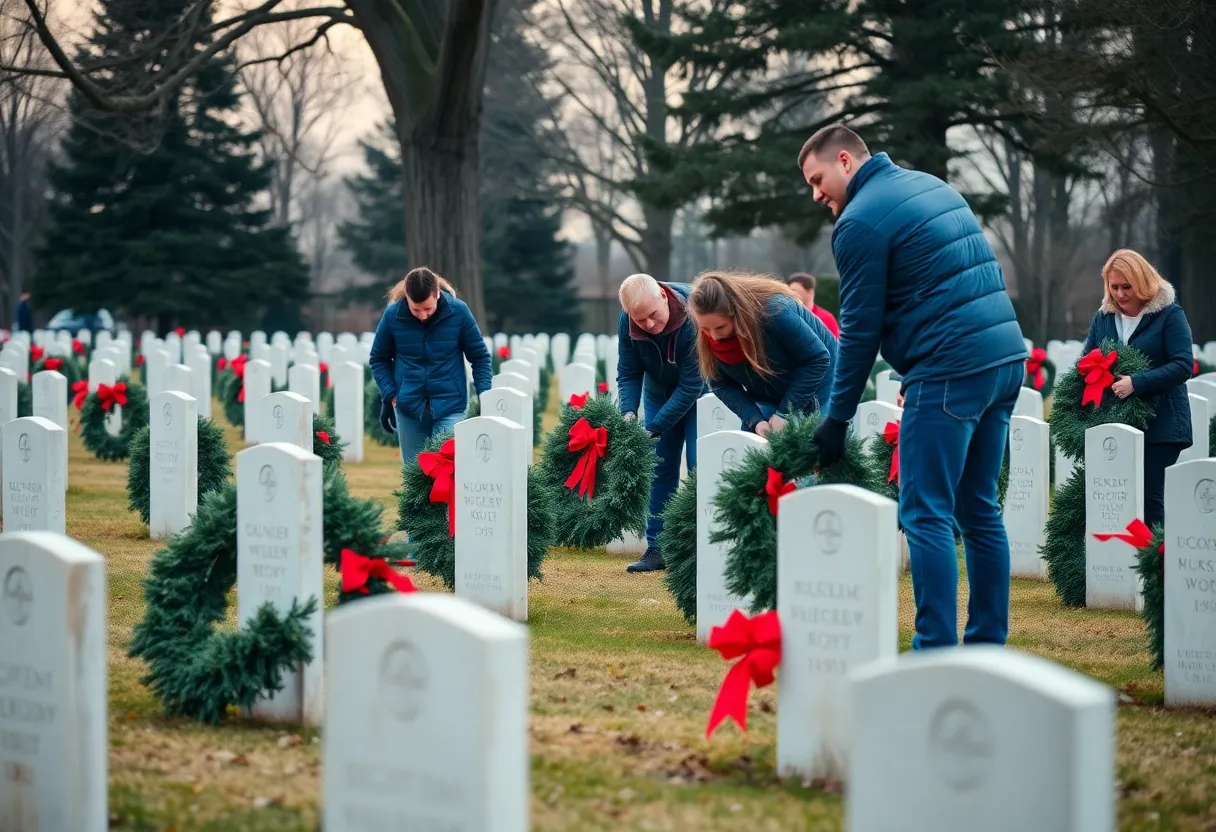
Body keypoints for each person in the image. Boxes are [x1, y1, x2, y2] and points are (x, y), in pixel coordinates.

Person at [800, 124, 1027, 651]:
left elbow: (859, 329)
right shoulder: (931, 185)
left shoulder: (858, 222)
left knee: (925, 512)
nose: (816, 195)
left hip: (950, 369)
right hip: (1003, 358)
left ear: (845, 160)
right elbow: (943, 285)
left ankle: (935, 650)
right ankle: (988, 644)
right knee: (979, 507)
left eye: (817, 179)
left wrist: (836, 419)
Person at [1083, 249, 1192, 527]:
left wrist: (1137, 382)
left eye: (1126, 287)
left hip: (1162, 424)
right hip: (1116, 422)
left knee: (1148, 498)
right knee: (1119, 497)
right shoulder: (1103, 318)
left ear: (1142, 282)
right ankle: (1124, 564)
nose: (1119, 294)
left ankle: (1158, 566)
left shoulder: (1169, 314)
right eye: (1114, 287)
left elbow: (1183, 365)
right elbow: (1087, 361)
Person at [615, 273, 706, 573]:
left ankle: (699, 546)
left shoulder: (694, 315)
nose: (650, 325)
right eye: (641, 321)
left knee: (699, 466)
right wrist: (629, 413)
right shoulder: (626, 322)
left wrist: (654, 427)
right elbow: (628, 372)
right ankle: (657, 547)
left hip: (702, 396)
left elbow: (692, 384)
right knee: (659, 467)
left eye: (653, 315)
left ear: (664, 297)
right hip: (658, 392)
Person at [689, 270, 836, 436]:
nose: (714, 336)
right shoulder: (705, 334)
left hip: (819, 382)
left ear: (737, 314)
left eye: (720, 327)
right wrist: (755, 420)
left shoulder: (776, 313)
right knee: (755, 446)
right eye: (705, 329)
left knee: (810, 449)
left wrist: (786, 413)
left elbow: (818, 359)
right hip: (769, 392)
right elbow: (720, 383)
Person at [369, 266, 492, 464]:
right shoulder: (393, 315)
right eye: (415, 309)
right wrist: (390, 393)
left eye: (428, 308)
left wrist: (485, 396)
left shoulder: (458, 312)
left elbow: (480, 357)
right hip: (409, 408)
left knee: (447, 471)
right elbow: (378, 358)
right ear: (406, 297)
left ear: (437, 294)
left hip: (451, 405)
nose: (423, 315)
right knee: (415, 476)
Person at [788, 272, 840, 337]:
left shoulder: (826, 319)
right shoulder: (787, 316)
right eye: (789, 291)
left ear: (810, 292)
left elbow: (834, 345)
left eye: (794, 291)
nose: (790, 294)